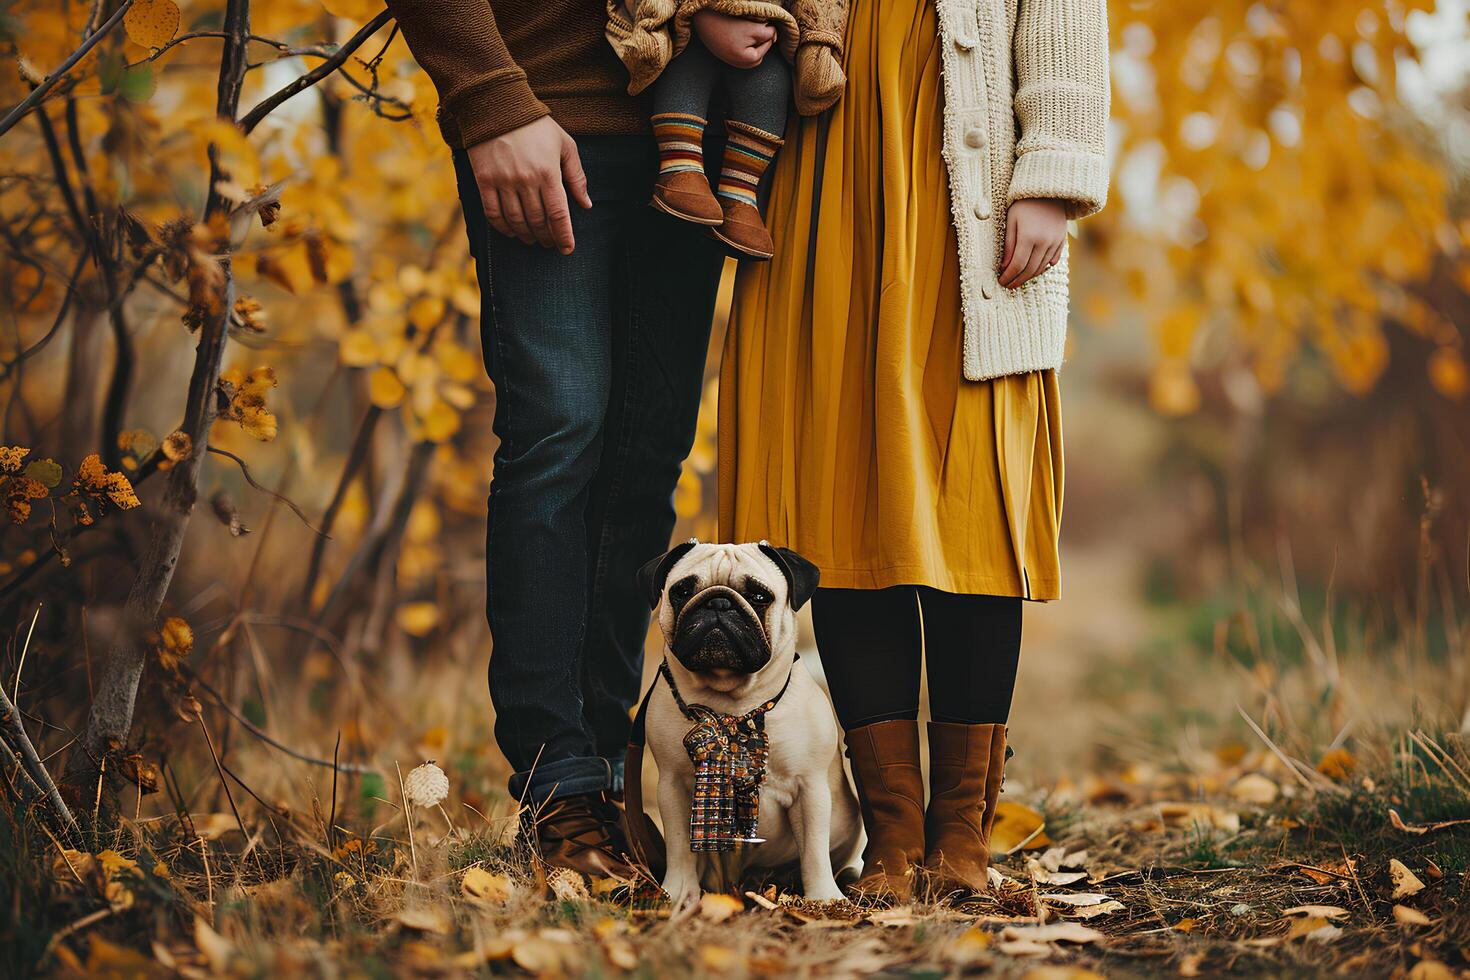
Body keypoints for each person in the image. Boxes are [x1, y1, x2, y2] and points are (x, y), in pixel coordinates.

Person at [717, 0, 1110, 902]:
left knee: (973, 504)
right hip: (820, 179)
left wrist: (1050, 176)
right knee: (844, 500)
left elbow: (1062, 22)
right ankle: (892, 835)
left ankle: (961, 836)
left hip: (964, 196)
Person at [384, 0, 730, 879]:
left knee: (648, 461)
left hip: (698, 140)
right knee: (559, 436)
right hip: (545, 121)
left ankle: (610, 781)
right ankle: (560, 789)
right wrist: (493, 101)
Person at [605, 0, 846, 259]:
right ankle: (680, 168)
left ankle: (740, 197)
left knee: (771, 81)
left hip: (770, 36)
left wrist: (818, 42)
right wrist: (699, 11)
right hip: (693, 25)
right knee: (688, 59)